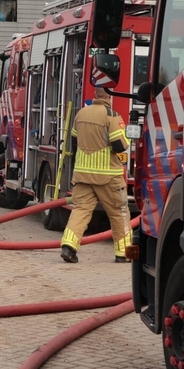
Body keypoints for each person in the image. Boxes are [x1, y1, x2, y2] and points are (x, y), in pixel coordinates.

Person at [60, 87, 132, 263]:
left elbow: (75, 142)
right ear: (110, 97)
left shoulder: (81, 114)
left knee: (81, 210)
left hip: (83, 174)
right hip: (108, 176)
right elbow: (119, 145)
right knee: (119, 212)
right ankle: (123, 253)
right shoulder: (111, 115)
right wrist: (128, 138)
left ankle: (69, 246)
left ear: (95, 95)